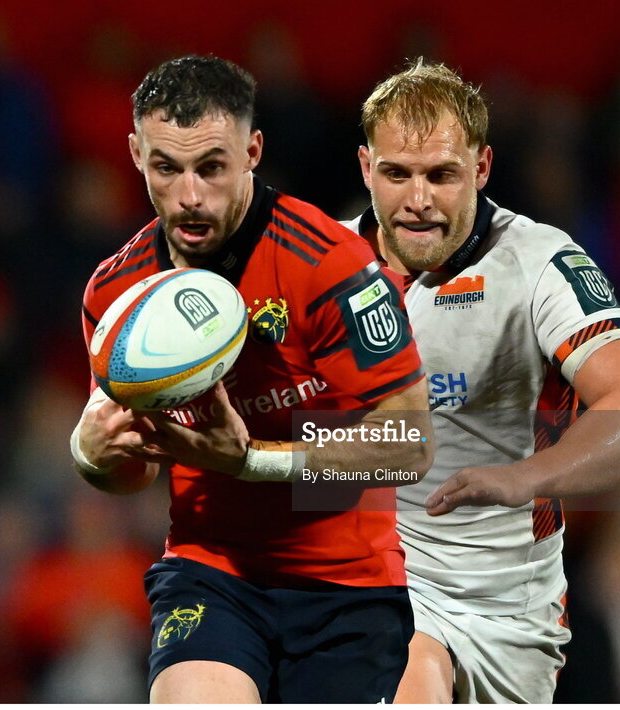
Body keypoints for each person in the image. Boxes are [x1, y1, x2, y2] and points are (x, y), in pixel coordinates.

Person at [69, 55, 433, 703]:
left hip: (347, 586)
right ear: (134, 153)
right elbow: (133, 470)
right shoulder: (118, 293)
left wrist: (255, 461)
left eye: (211, 167)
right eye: (165, 168)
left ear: (253, 151)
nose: (189, 195)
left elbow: (409, 442)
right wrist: (90, 455)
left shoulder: (327, 265)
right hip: (211, 571)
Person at [343, 59, 620, 703]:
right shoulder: (323, 267)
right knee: (412, 672)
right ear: (365, 168)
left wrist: (520, 477)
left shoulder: (540, 261)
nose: (418, 199)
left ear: (482, 168)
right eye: (397, 174)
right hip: (380, 581)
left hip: (510, 605)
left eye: (442, 175)